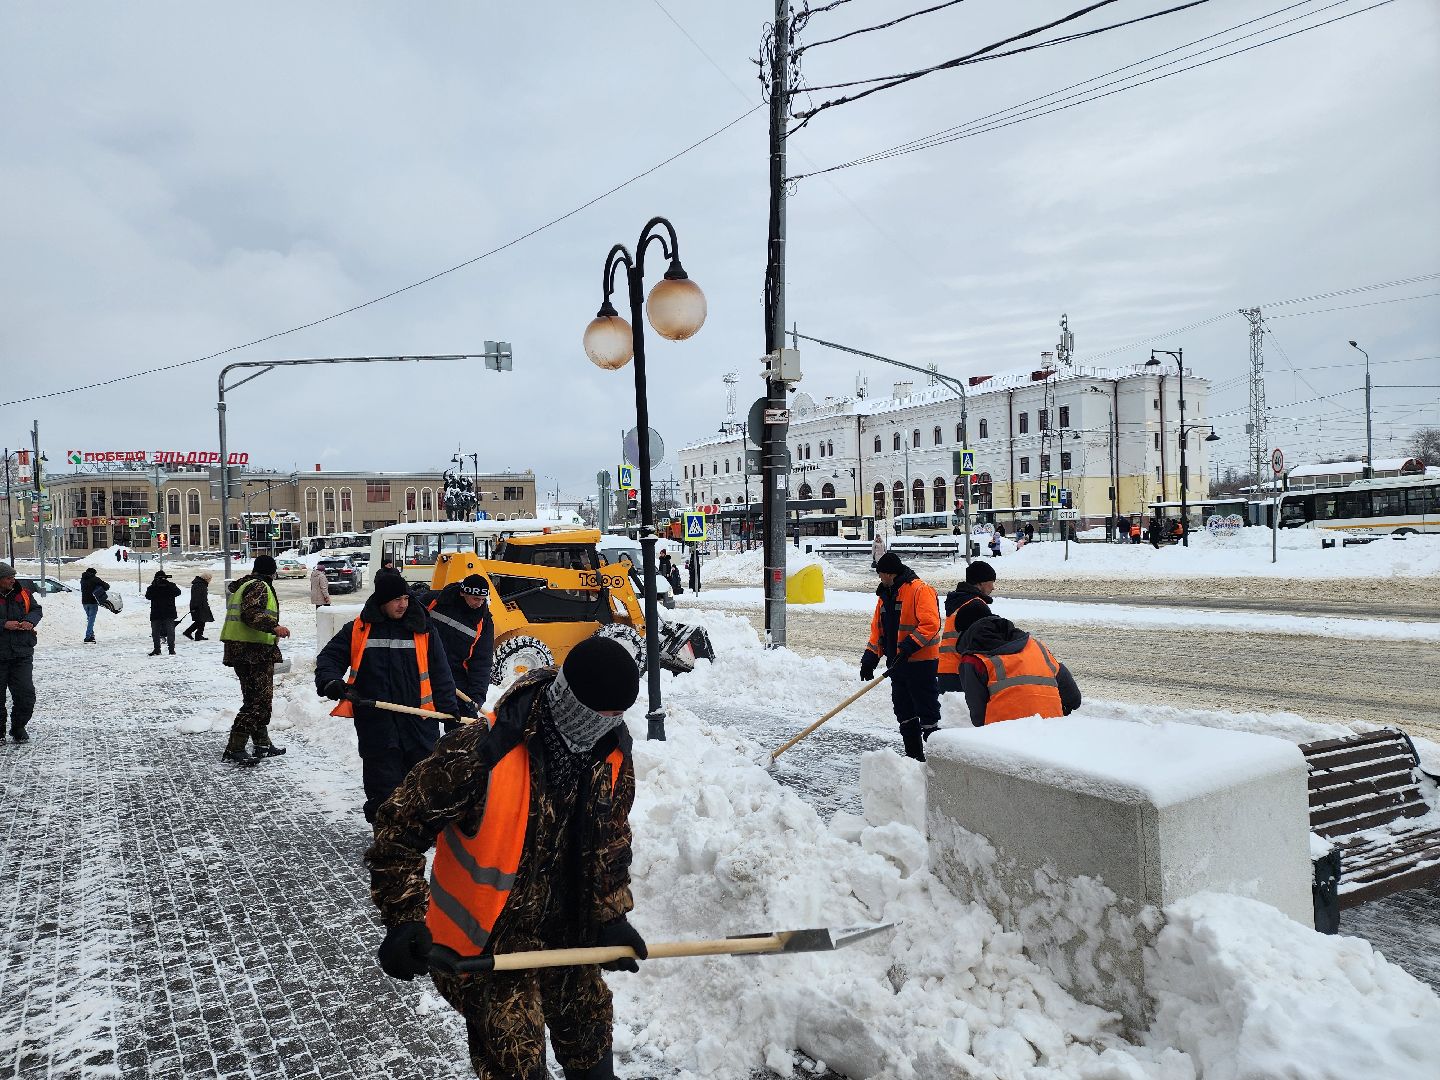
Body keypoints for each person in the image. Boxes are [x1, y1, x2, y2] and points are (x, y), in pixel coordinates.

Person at [366, 636, 643, 1080]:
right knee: (516, 1062)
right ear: (572, 701)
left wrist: (611, 918)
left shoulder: (609, 752)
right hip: (490, 947)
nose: (608, 724)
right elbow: (399, 828)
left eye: (618, 715)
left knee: (591, 1043)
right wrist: (403, 919)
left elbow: (611, 841)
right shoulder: (483, 750)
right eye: (601, 714)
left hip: (569, 936)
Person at [315, 571, 459, 823]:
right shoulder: (359, 630)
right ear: (382, 601)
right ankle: (386, 837)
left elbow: (441, 674)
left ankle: (417, 835)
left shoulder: (423, 629)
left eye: (406, 598)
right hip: (377, 726)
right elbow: (329, 658)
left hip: (419, 724)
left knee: (422, 789)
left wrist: (449, 713)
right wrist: (331, 681)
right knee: (383, 793)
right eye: (396, 599)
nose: (403, 604)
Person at [861, 551, 941, 761]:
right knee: (904, 714)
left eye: (880, 574)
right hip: (897, 665)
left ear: (889, 573)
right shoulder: (885, 597)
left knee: (928, 714)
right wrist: (870, 658)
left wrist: (908, 647)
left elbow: (931, 624)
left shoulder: (920, 590)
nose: (879, 578)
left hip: (921, 665)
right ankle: (913, 760)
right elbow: (878, 631)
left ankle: (937, 763)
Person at [219, 554, 291, 766]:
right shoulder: (259, 586)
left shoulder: (247, 584)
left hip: (246, 651)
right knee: (258, 703)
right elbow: (251, 613)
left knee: (257, 700)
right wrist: (274, 626)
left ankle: (262, 744)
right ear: (272, 572)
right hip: (253, 652)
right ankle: (235, 748)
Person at [955, 615, 1081, 727]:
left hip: (1004, 731)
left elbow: (978, 714)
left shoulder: (974, 660)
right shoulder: (1037, 647)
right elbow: (1073, 698)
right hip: (1050, 727)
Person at [419, 574, 494, 722]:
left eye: (482, 599)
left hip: (455, 680)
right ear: (463, 593)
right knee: (423, 722)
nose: (479, 604)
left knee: (462, 725)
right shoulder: (435, 601)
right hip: (424, 671)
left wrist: (476, 697)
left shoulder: (483, 622)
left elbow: (482, 661)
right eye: (475, 599)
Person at [938, 560, 997, 695]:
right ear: (981, 583)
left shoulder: (959, 601)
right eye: (991, 582)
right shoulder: (975, 605)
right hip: (962, 671)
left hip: (946, 668)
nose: (993, 587)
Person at [0, 563, 41, 743]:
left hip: (21, 654)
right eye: (9, 578)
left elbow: (36, 609)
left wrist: (30, 621)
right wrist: (3, 624)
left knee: (26, 695)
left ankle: (18, 727)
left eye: (13, 577)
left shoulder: (23, 593)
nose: (13, 580)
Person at [145, 570, 182, 656]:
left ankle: (170, 650)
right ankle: (160, 650)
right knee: (158, 632)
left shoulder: (170, 585)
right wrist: (156, 585)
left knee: (167, 632)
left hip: (162, 612)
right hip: (160, 612)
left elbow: (178, 592)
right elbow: (148, 596)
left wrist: (167, 584)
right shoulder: (153, 587)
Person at [182, 570, 215, 640]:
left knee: (201, 620)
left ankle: (195, 634)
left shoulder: (201, 584)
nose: (210, 581)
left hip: (201, 605)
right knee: (201, 620)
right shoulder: (200, 585)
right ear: (206, 578)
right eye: (210, 579)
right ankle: (191, 633)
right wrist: (196, 606)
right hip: (199, 606)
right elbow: (196, 597)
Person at [79, 566, 108, 643]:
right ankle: (88, 637)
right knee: (91, 620)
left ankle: (91, 635)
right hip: (93, 602)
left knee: (89, 619)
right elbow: (106, 586)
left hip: (84, 602)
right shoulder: (95, 579)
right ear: (93, 573)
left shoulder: (82, 580)